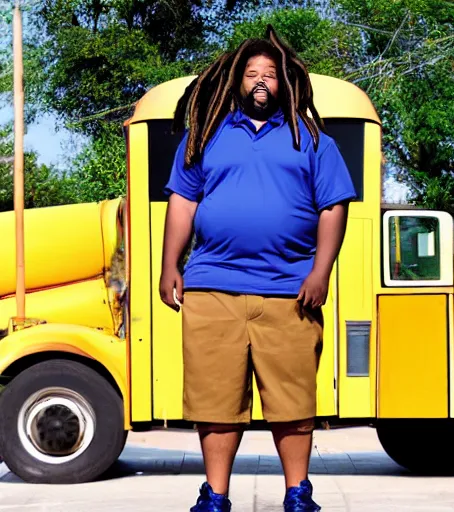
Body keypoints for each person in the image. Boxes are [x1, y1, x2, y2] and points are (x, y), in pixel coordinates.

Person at [160, 25, 356, 512]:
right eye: (252, 73)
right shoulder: (205, 134)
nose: (262, 80)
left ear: (287, 82)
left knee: (292, 405)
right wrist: (169, 265)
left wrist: (321, 271)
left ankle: (297, 494)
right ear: (236, 82)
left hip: (290, 291)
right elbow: (182, 202)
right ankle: (215, 496)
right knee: (215, 403)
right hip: (212, 289)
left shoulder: (312, 140)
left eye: (271, 73)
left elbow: (334, 207)